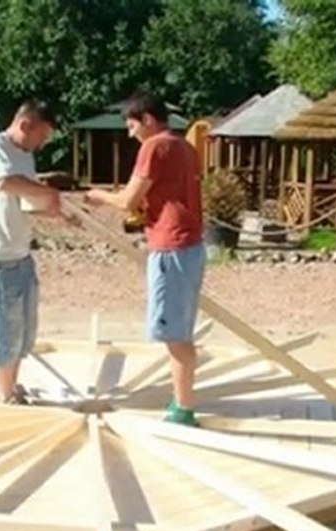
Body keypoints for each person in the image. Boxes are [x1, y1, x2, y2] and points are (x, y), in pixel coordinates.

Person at [85, 91, 204, 426]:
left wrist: (97, 197)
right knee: (180, 327)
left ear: (148, 120)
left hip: (171, 247)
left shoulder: (153, 147)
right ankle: (182, 398)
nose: (130, 133)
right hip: (190, 244)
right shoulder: (185, 147)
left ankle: (183, 410)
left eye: (132, 125)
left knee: (174, 334)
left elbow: (127, 201)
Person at [0, 99, 69, 404]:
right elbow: (5, 183)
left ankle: (12, 386)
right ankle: (4, 393)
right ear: (25, 125)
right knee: (7, 328)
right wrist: (48, 192)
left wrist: (59, 211)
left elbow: (25, 202)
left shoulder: (25, 156)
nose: (41, 143)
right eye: (41, 135)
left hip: (20, 253)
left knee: (24, 329)